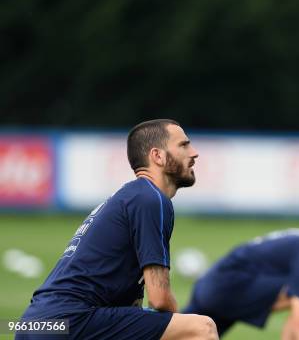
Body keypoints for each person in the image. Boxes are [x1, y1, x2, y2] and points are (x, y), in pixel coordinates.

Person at [16, 119, 218, 340]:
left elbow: (131, 309)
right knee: (201, 328)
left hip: (36, 324)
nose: (194, 152)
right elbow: (160, 299)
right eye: (184, 145)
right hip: (70, 320)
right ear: (158, 156)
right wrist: (179, 329)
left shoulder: (132, 197)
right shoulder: (150, 199)